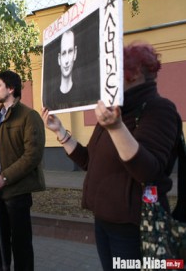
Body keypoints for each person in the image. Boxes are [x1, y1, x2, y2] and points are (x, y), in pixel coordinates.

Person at [41, 42, 181, 271]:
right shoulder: (115, 111)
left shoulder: (159, 109)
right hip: (104, 221)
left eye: (113, 69)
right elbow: (89, 160)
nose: (106, 76)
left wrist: (116, 128)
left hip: (133, 227)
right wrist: (60, 131)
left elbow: (149, 172)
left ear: (135, 73)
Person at [0, 70, 46, 271]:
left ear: (11, 88)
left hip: (16, 190)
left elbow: (32, 156)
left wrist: (5, 177)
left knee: (21, 244)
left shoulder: (29, 116)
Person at [58, 30, 77, 94]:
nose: (66, 61)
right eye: (63, 53)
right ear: (59, 59)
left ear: (75, 53)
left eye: (70, 51)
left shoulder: (83, 93)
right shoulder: (50, 99)